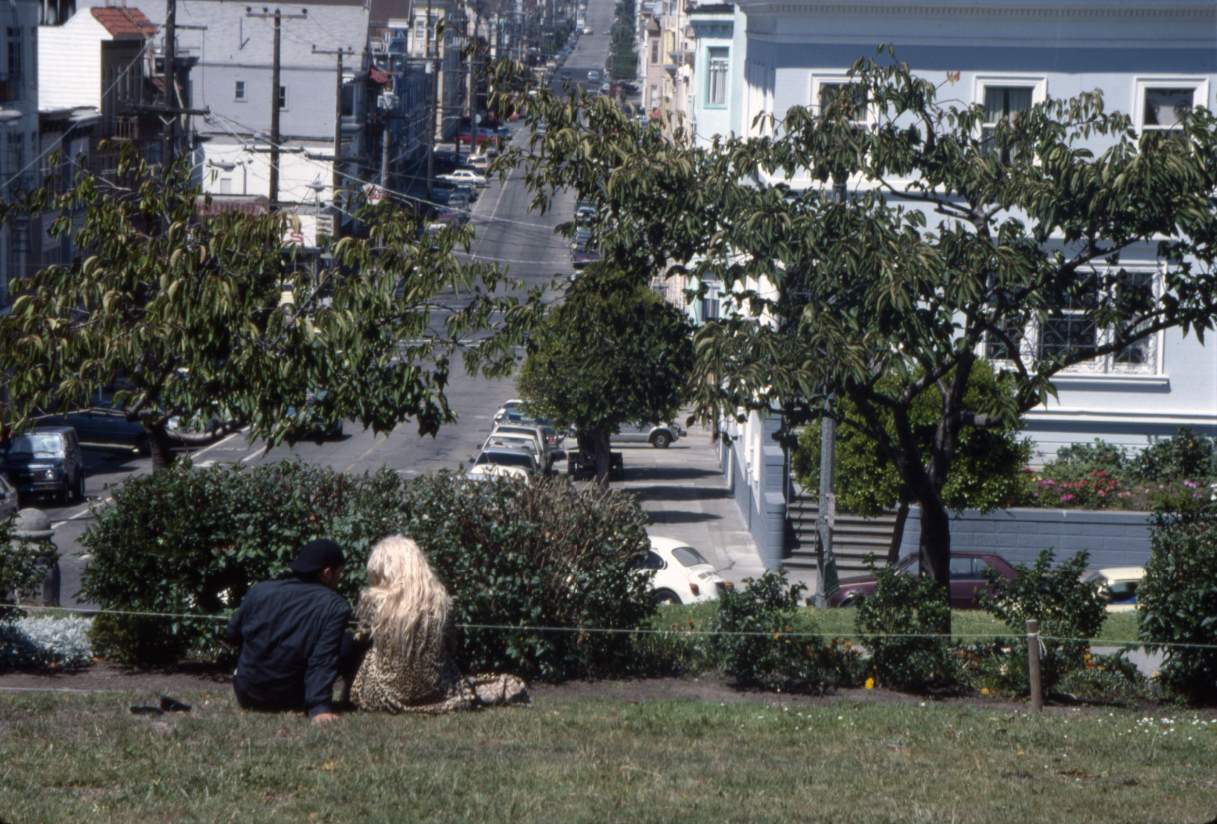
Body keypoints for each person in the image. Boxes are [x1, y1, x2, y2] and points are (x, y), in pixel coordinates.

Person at [351, 535, 527, 713]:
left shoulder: (373, 603)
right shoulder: (442, 603)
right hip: (438, 693)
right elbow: (451, 645)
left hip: (381, 696)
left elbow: (360, 639)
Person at [226, 538, 365, 725]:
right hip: (291, 698)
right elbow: (323, 657)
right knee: (350, 641)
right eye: (339, 574)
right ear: (327, 573)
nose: (339, 580)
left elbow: (232, 634)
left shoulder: (259, 591)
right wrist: (319, 708)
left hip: (247, 695)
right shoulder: (335, 606)